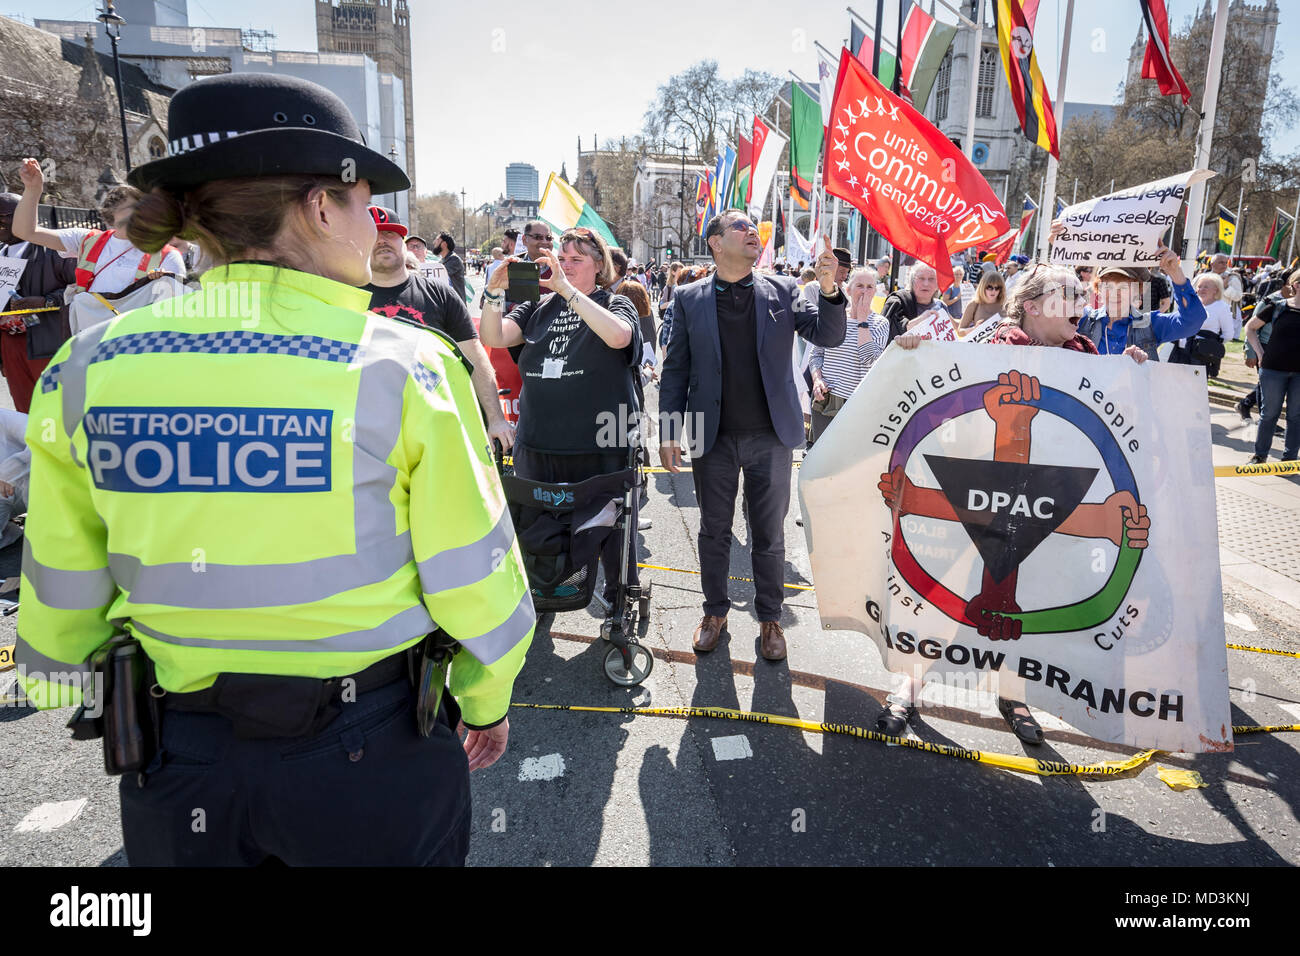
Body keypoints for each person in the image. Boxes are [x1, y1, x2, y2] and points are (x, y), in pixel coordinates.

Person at [14, 72, 533, 867]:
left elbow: (61, 585)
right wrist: (484, 700)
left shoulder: (86, 368)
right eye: (365, 204)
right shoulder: (404, 368)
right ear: (321, 208)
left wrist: (70, 681)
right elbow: (477, 580)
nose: (373, 225)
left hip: (180, 757)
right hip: (367, 757)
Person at [884, 264, 1150, 743]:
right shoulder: (990, 345)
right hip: (978, 498)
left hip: (1046, 503)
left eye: (1081, 294)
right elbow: (944, 397)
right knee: (948, 597)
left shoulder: (1086, 355)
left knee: (1032, 597)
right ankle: (910, 684)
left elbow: (1114, 427)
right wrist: (916, 352)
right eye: (1068, 294)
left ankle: (1014, 694)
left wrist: (1131, 373)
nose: (1081, 303)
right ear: (1031, 306)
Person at [659, 213, 846, 661]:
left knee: (768, 534)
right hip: (713, 436)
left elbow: (829, 334)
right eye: (740, 227)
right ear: (715, 242)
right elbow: (676, 370)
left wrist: (829, 289)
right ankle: (714, 613)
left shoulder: (783, 289)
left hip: (771, 436)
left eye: (753, 228)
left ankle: (770, 618)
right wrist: (668, 432)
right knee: (714, 531)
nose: (752, 233)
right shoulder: (687, 298)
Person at [480, 226, 643, 614]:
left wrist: (567, 291)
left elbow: (619, 337)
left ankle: (619, 604)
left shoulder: (615, 302)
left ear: (599, 265)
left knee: (610, 533)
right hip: (539, 444)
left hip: (600, 446)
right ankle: (543, 595)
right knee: (540, 530)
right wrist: (494, 292)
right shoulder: (537, 307)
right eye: (562, 258)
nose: (565, 265)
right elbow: (493, 335)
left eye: (576, 259)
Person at [363, 205, 514, 452]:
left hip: (434, 429)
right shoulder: (342, 295)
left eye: (390, 233)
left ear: (403, 242)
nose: (382, 241)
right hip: (368, 432)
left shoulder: (440, 294)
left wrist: (496, 419)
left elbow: (475, 358)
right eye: (374, 234)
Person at [11, 175, 185, 296]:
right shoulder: (87, 240)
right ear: (111, 214)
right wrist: (33, 189)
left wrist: (165, 284)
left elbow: (174, 312)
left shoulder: (168, 256)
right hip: (90, 335)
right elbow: (25, 232)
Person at [0, 190, 76, 412]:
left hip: (48, 344)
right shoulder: (1, 253)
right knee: (25, 410)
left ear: (25, 215)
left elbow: (82, 288)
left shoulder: (55, 250)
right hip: (10, 346)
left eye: (3, 216)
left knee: (57, 409)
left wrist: (45, 301)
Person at [808, 266, 887, 444]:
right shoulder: (833, 318)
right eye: (859, 286)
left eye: (870, 287)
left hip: (858, 403)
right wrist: (817, 380)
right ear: (848, 290)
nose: (864, 291)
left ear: (875, 292)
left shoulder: (880, 323)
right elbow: (816, 354)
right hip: (827, 399)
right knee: (823, 453)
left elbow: (869, 359)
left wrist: (862, 321)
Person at [1245, 268, 1300, 464]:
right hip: (1273, 369)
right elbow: (1250, 328)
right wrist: (1259, 353)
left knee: (1296, 416)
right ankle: (1260, 456)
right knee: (1269, 414)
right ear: (1296, 285)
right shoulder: (1278, 307)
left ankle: (1289, 460)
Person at [1170, 272, 1234, 377]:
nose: (1202, 289)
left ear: (1216, 290)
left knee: (1195, 383)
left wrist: (1211, 344)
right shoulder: (1191, 303)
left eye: (1206, 287)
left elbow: (1228, 334)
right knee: (1175, 380)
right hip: (1180, 349)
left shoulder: (1222, 307)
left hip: (1201, 353)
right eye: (1199, 286)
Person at [879, 261, 941, 341]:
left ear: (937, 285)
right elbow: (887, 331)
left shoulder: (940, 307)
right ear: (912, 281)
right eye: (921, 278)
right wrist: (921, 319)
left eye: (931, 279)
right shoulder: (898, 301)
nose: (926, 284)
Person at [433, 232, 466, 303]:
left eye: (437, 240)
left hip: (456, 304)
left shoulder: (454, 259)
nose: (434, 242)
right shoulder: (442, 260)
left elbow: (439, 276)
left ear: (444, 244)